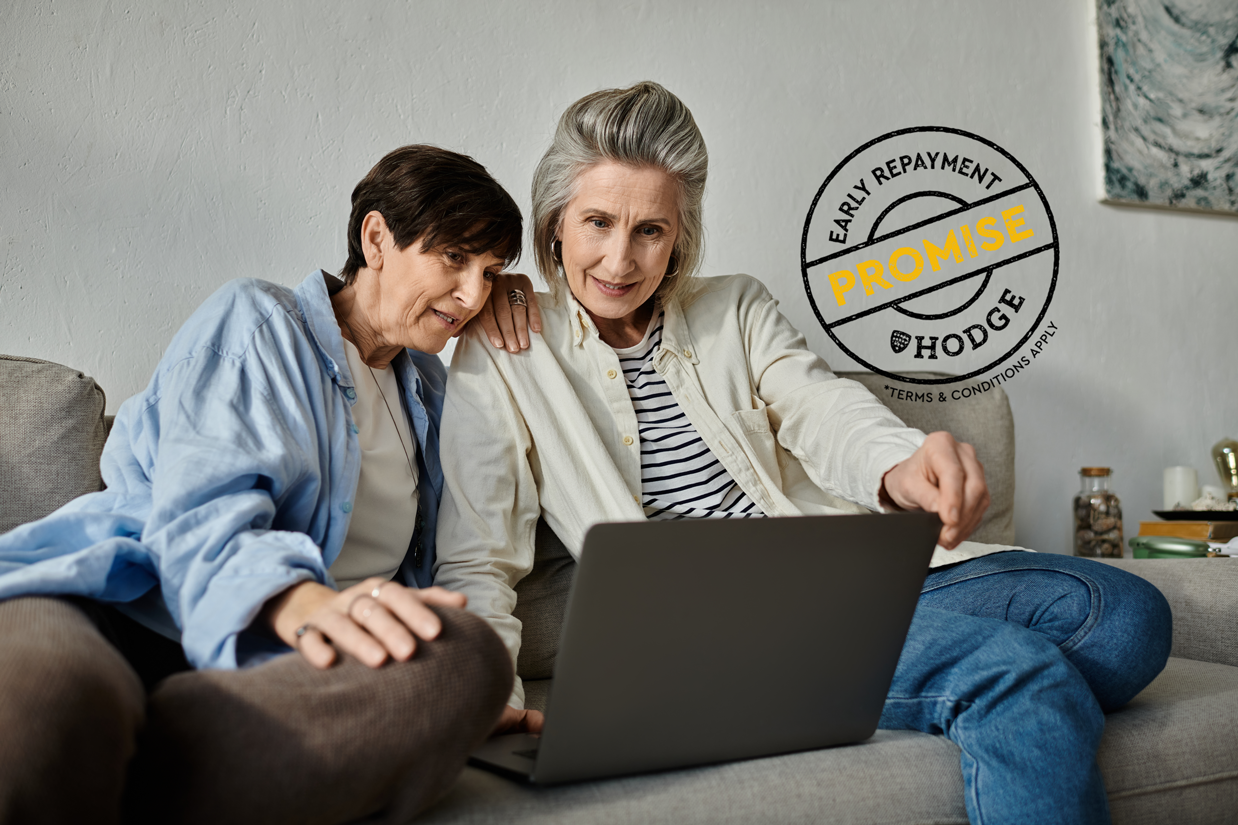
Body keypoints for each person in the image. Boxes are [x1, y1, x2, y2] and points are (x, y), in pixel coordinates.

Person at [433, 82, 1173, 825]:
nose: (620, 260)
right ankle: (968, 682)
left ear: (681, 234)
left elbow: (826, 409)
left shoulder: (735, 307)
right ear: (554, 221)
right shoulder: (505, 345)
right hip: (715, 623)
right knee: (1017, 671)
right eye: (597, 222)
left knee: (1128, 617)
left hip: (843, 575)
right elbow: (479, 553)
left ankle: (930, 677)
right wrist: (489, 698)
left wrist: (899, 463)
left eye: (650, 230)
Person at [0, 144, 540, 825]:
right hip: (115, 607)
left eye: (490, 273)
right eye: (455, 259)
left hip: (267, 674)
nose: (473, 294)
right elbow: (200, 517)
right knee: (47, 709)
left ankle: (128, 752)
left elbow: (446, 566)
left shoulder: (433, 391)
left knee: (467, 658)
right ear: (377, 238)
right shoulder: (260, 322)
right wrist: (302, 598)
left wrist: (527, 301)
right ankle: (103, 736)